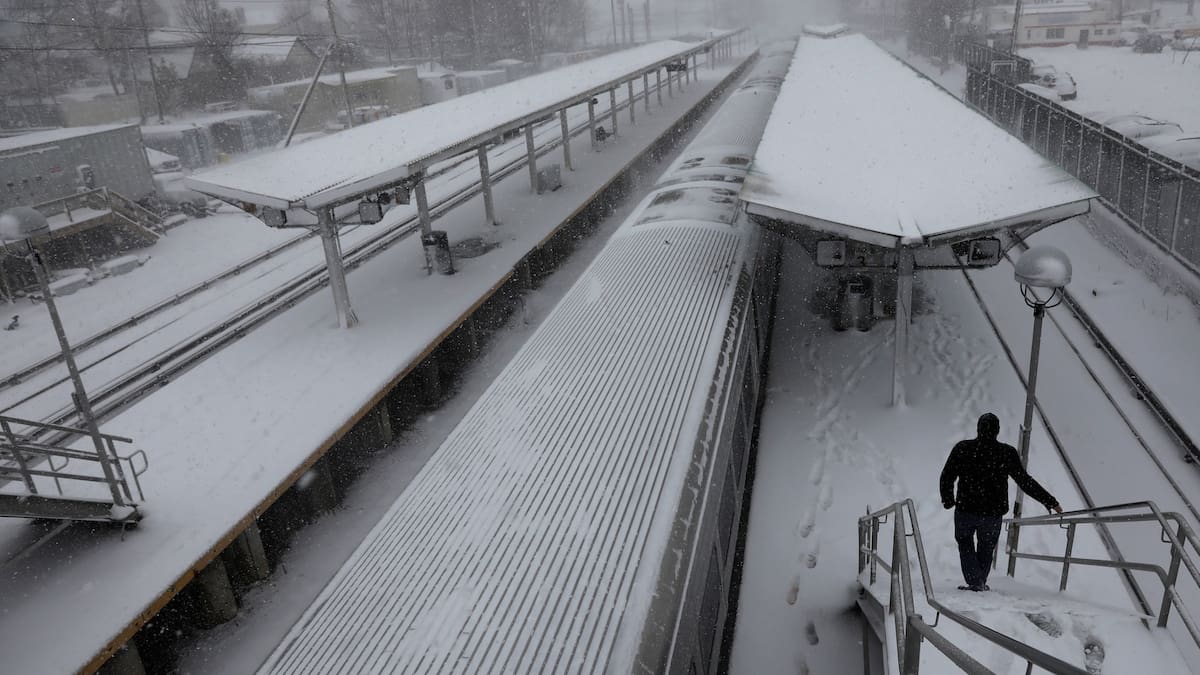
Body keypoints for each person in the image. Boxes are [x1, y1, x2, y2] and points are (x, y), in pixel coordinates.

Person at [940, 413, 1063, 591]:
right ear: (997, 431)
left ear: (978, 429)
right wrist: (1050, 501)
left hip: (966, 510)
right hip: (992, 514)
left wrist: (948, 500)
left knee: (965, 543)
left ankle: (976, 583)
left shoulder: (963, 448)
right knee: (986, 547)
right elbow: (1024, 481)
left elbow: (947, 476)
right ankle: (978, 582)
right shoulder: (1006, 453)